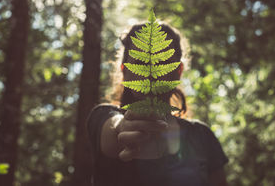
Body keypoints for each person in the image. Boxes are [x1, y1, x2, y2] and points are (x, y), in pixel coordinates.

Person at [87, 23, 229, 186]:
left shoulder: (202, 136)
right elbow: (113, 129)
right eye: (140, 63)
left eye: (162, 62)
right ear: (124, 71)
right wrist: (122, 128)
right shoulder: (102, 117)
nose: (150, 74)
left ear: (178, 71)